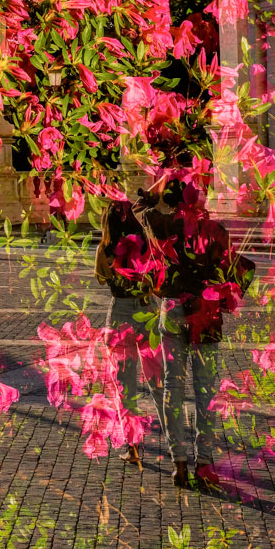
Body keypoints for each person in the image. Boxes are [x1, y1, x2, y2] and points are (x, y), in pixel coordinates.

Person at [156, 184, 254, 490]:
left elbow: (140, 210)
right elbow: (230, 270)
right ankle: (205, 463)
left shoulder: (164, 225)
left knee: (173, 386)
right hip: (206, 313)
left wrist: (156, 195)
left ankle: (178, 463)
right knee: (206, 393)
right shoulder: (217, 230)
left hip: (172, 311)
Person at [96, 189, 169, 466]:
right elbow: (158, 280)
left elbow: (102, 279)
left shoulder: (104, 248)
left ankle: (133, 445)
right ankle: (174, 443)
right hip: (147, 313)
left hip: (119, 317)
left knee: (124, 387)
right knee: (158, 381)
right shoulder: (147, 247)